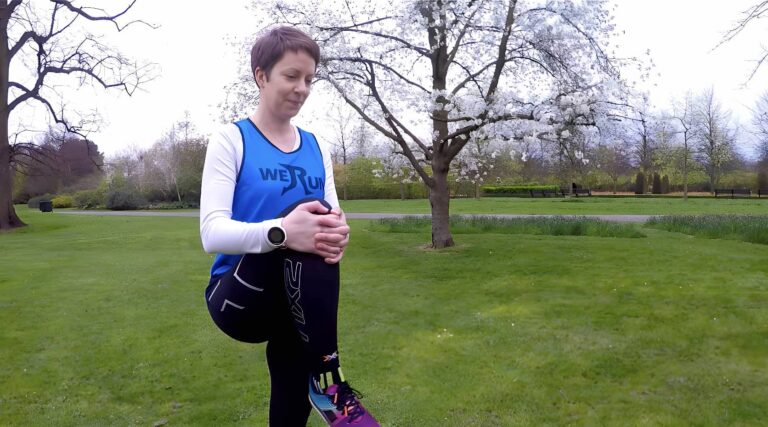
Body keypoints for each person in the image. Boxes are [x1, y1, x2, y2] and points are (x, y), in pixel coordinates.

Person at [199, 26, 379, 426]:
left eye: (310, 79)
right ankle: (331, 379)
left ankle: (319, 387)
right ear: (261, 76)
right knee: (302, 211)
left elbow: (331, 216)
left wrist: (338, 234)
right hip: (239, 298)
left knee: (290, 399)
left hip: (297, 302)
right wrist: (282, 231)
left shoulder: (318, 146)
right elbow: (211, 233)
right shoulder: (232, 139)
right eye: (291, 76)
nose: (302, 88)